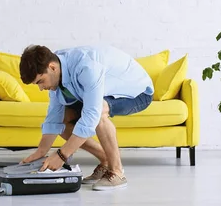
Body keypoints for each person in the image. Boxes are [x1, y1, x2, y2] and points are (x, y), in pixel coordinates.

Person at [18, 44, 154, 191]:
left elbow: (91, 115)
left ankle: (117, 172)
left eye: (40, 81)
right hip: (107, 91)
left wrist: (62, 155)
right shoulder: (56, 68)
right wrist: (40, 152)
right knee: (64, 121)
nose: (40, 88)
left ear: (52, 68)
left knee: (98, 111)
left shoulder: (87, 67)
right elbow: (54, 116)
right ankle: (105, 159)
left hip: (138, 92)